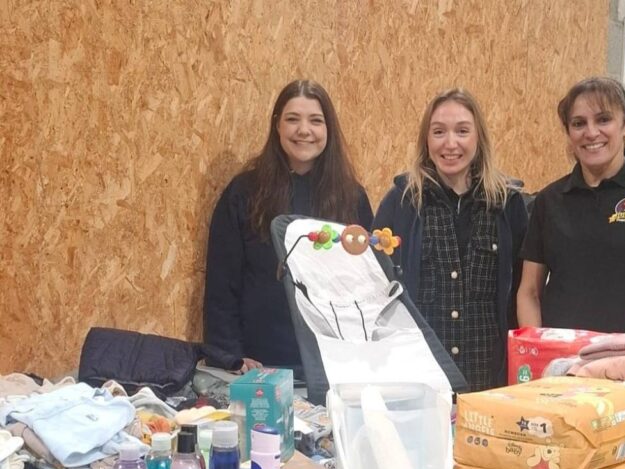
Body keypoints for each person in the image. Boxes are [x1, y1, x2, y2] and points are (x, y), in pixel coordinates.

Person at [204, 80, 373, 373]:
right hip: (261, 366)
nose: (304, 130)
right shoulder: (245, 192)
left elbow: (366, 287)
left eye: (316, 121)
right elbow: (222, 283)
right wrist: (230, 355)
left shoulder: (351, 198)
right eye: (292, 119)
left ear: (328, 130)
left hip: (334, 366)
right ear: (277, 126)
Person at [374, 88, 528, 391]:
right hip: (420, 378)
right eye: (439, 132)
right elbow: (377, 285)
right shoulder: (402, 202)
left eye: (462, 131)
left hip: (490, 381)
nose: (450, 143)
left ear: (478, 138)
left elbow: (524, 291)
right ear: (426, 140)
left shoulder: (507, 204)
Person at [517, 76, 625, 334]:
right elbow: (529, 292)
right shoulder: (549, 200)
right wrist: (537, 347)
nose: (591, 133)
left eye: (603, 119)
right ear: (568, 132)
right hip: (560, 363)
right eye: (578, 123)